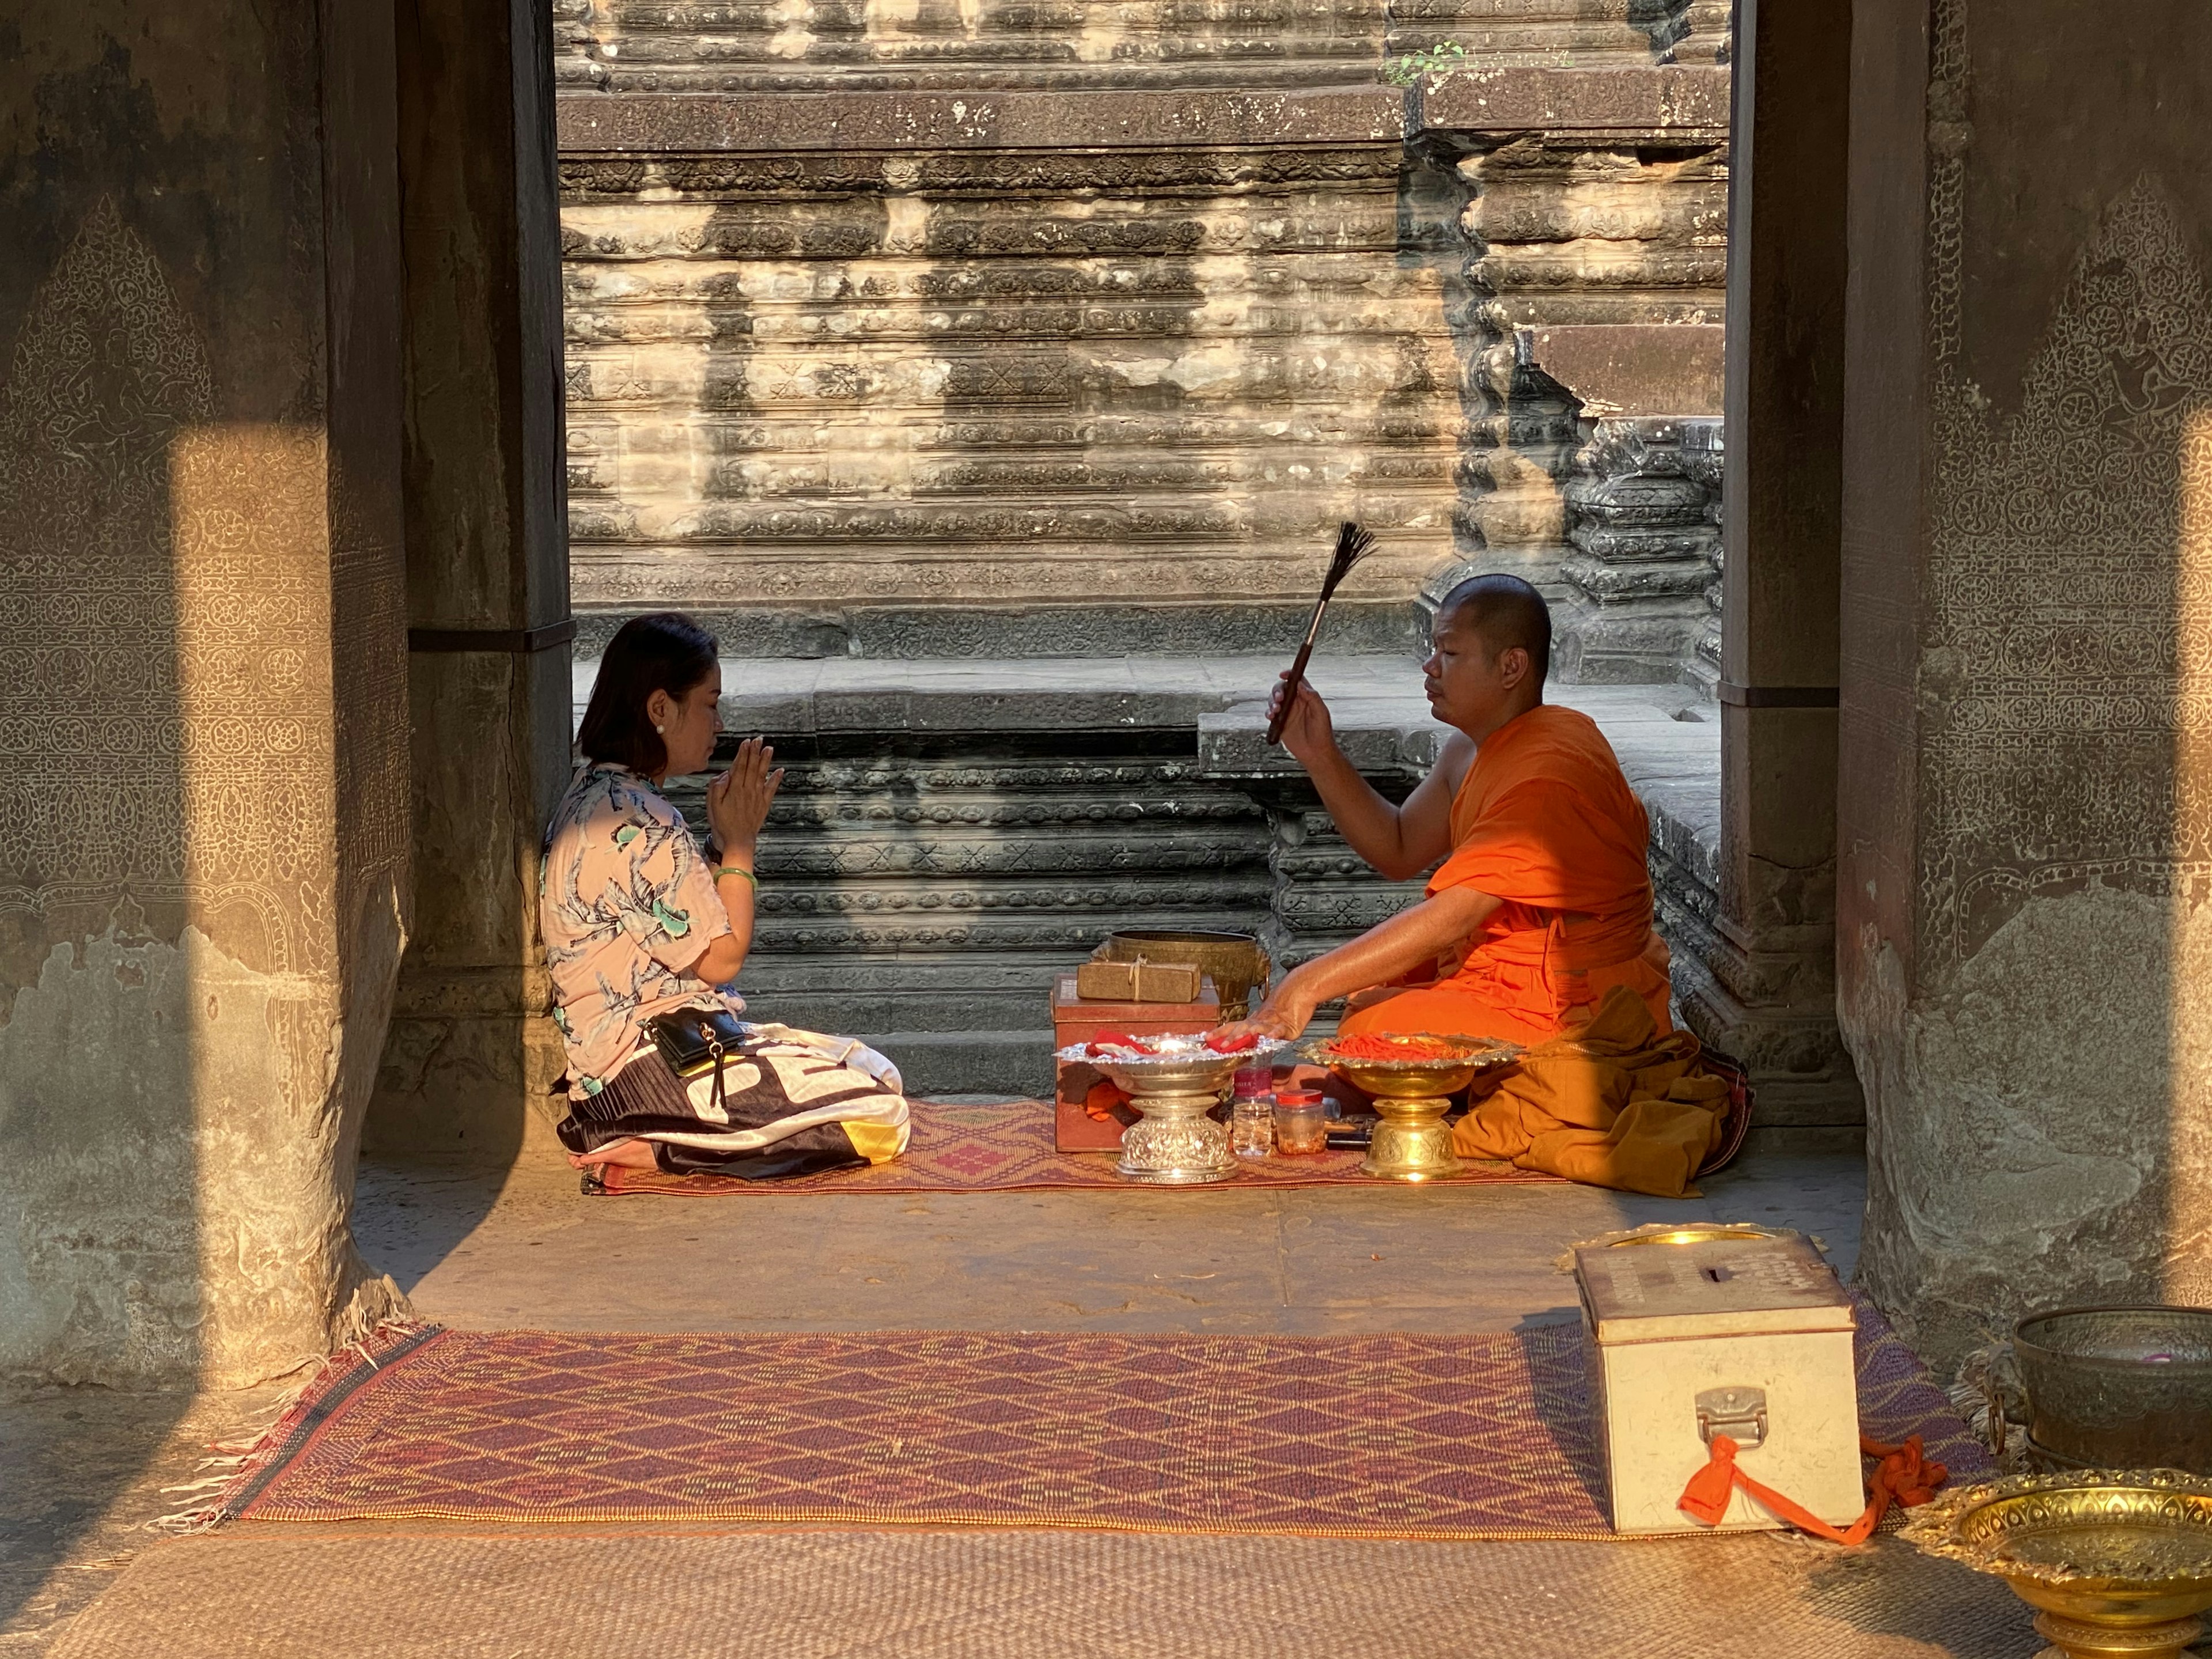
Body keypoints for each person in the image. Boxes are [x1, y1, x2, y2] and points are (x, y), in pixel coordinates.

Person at [1220, 573, 1671, 1048]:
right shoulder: (1467, 750)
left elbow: (1458, 914)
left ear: (1511, 667)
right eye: (1434, 651)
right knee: (1373, 1009)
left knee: (1372, 1037)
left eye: (1450, 654)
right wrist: (1320, 754)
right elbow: (1398, 847)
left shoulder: (1552, 769)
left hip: (1576, 1005)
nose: (1430, 668)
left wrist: (1303, 985)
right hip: (1507, 981)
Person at [541, 612, 910, 1179]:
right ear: (660, 709)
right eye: (710, 703)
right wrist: (739, 845)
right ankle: (660, 1145)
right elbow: (721, 958)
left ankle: (676, 1136)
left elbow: (676, 926)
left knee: (874, 1070)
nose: (720, 722)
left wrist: (716, 843)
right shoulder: (640, 821)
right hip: (648, 1073)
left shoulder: (601, 793)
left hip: (664, 1054)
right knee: (883, 1116)